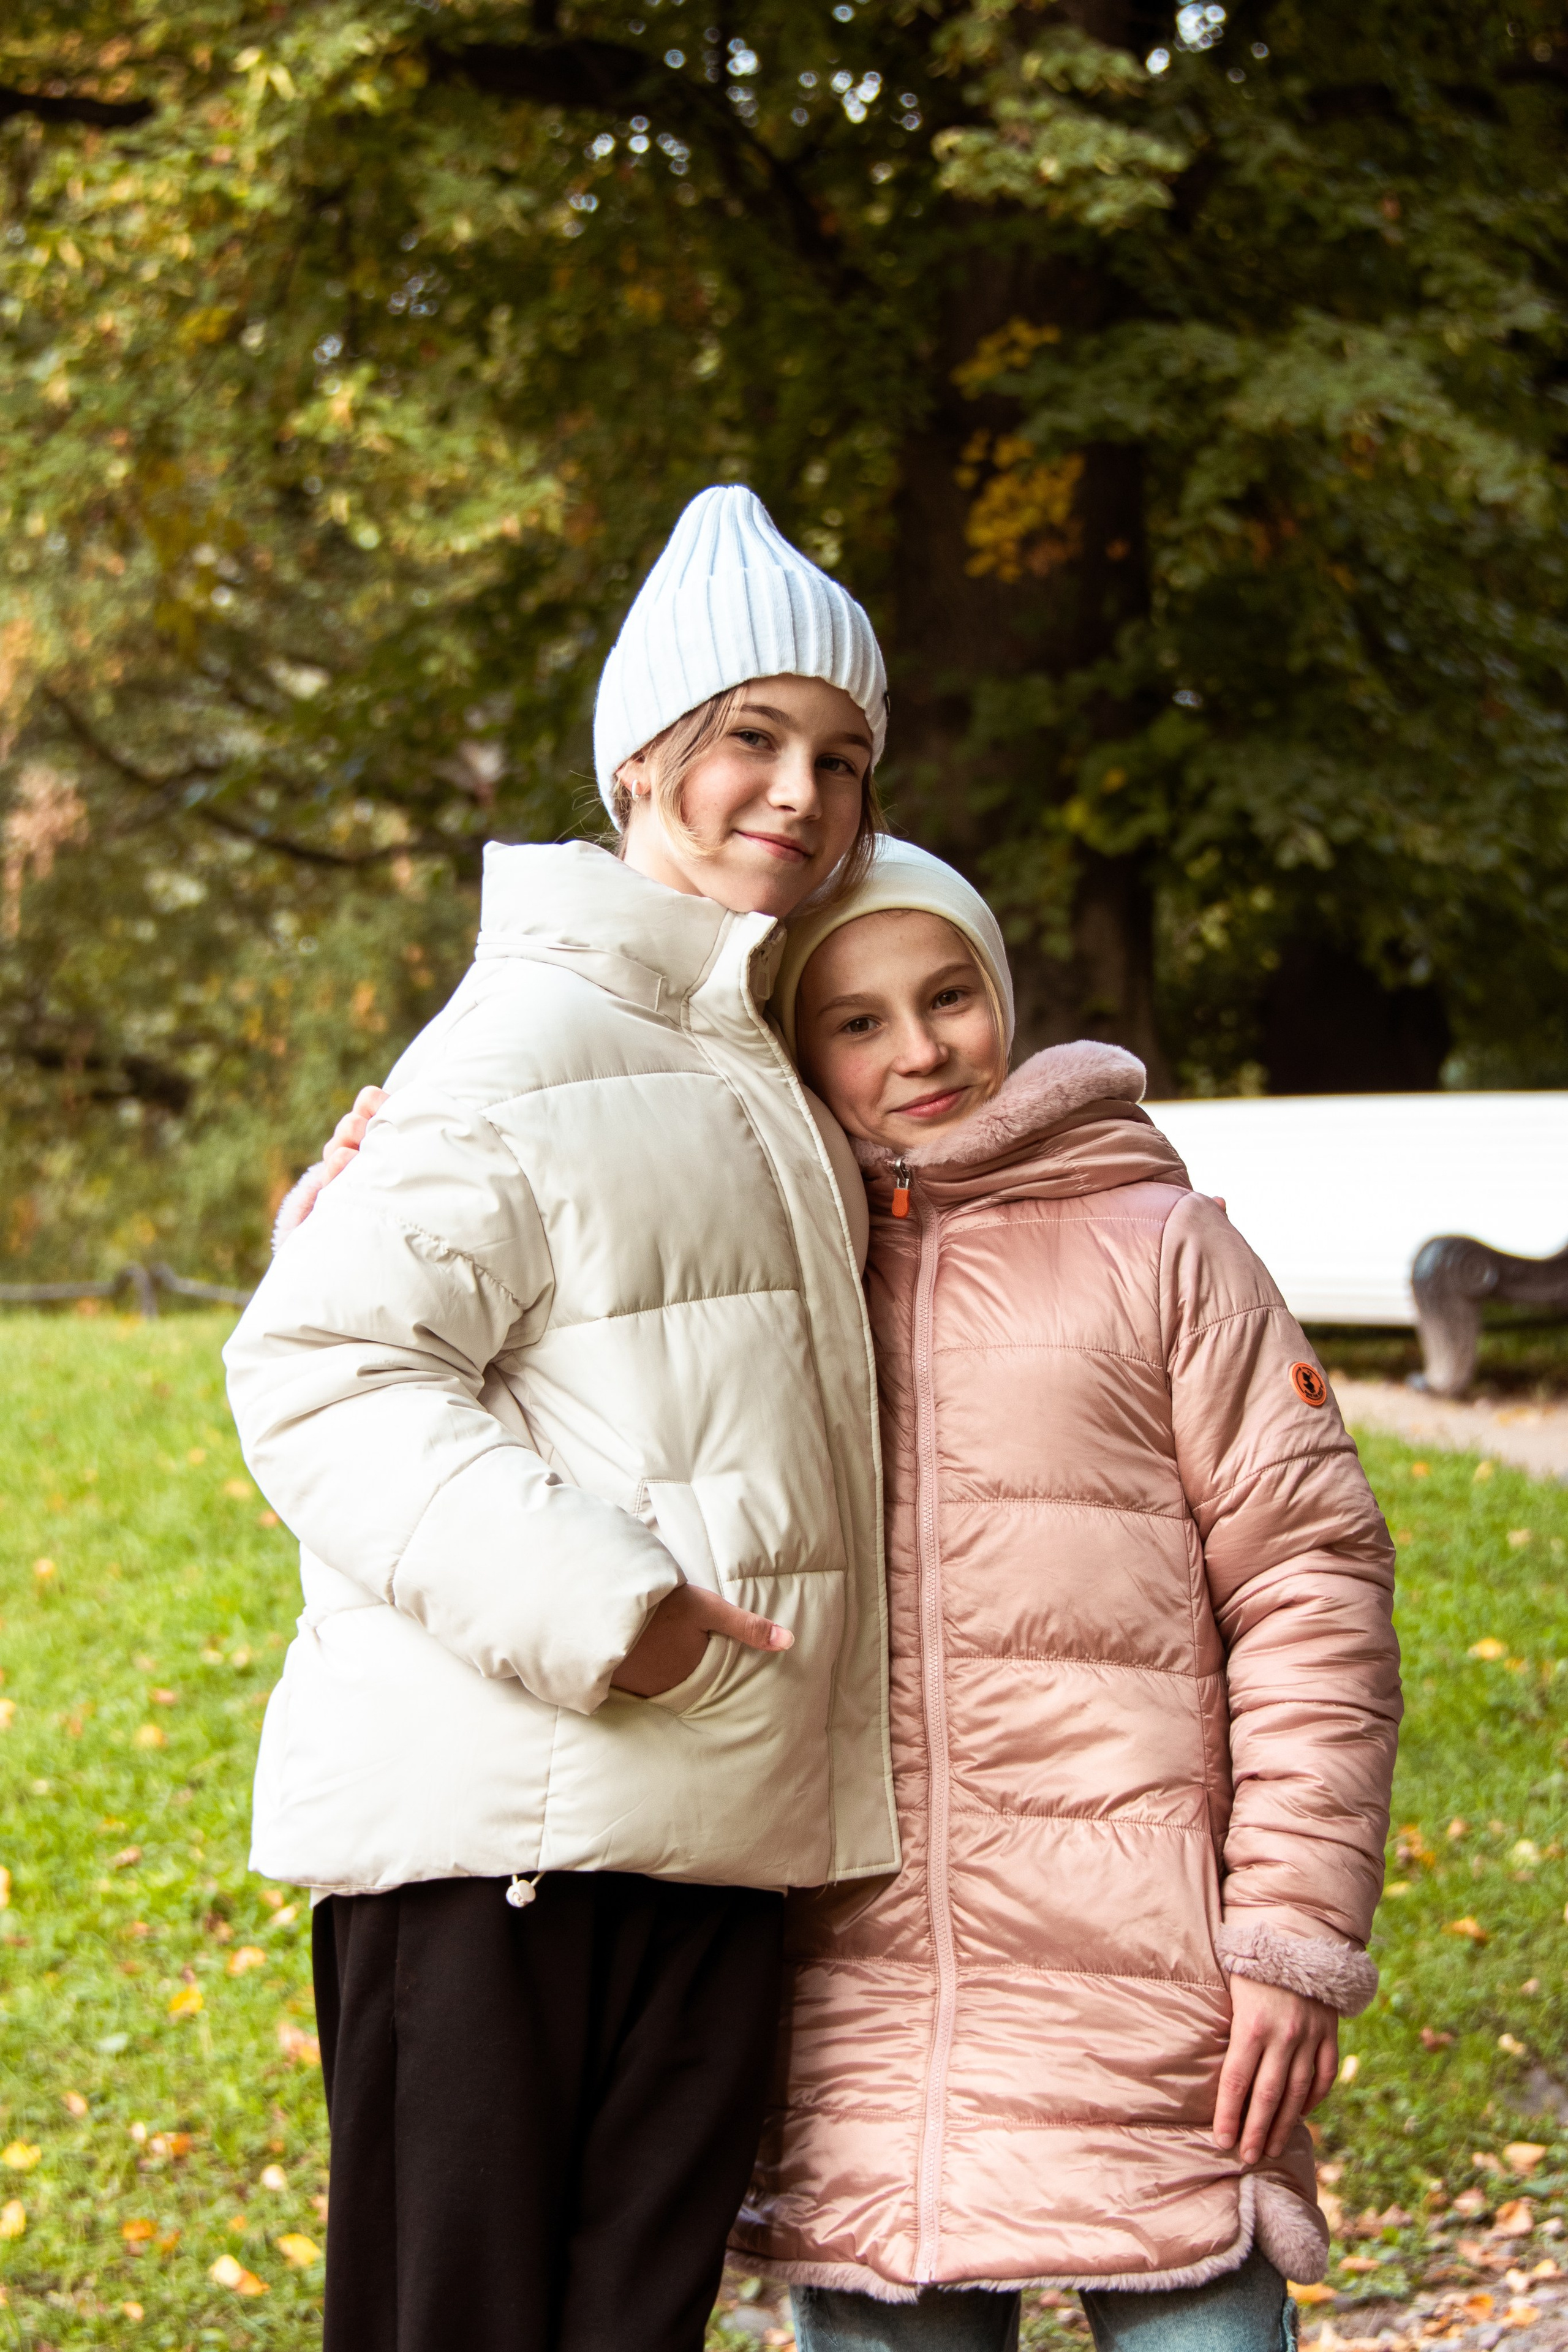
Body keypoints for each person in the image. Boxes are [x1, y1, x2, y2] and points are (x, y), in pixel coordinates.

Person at [223, 484, 902, 2352]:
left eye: (841, 758)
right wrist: (621, 1612)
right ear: (640, 759)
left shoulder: (748, 1054)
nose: (800, 790)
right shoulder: (526, 1041)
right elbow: (320, 1368)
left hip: (706, 1840)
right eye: (750, 737)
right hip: (505, 1859)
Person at [721, 841, 1401, 2351]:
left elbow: (1311, 1589)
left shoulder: (1167, 1251)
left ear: (999, 996)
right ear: (797, 1047)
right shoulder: (776, 1265)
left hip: (1159, 2013)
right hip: (862, 2024)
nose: (918, 1049)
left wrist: (1287, 1933)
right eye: (856, 1020)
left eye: (947, 995)